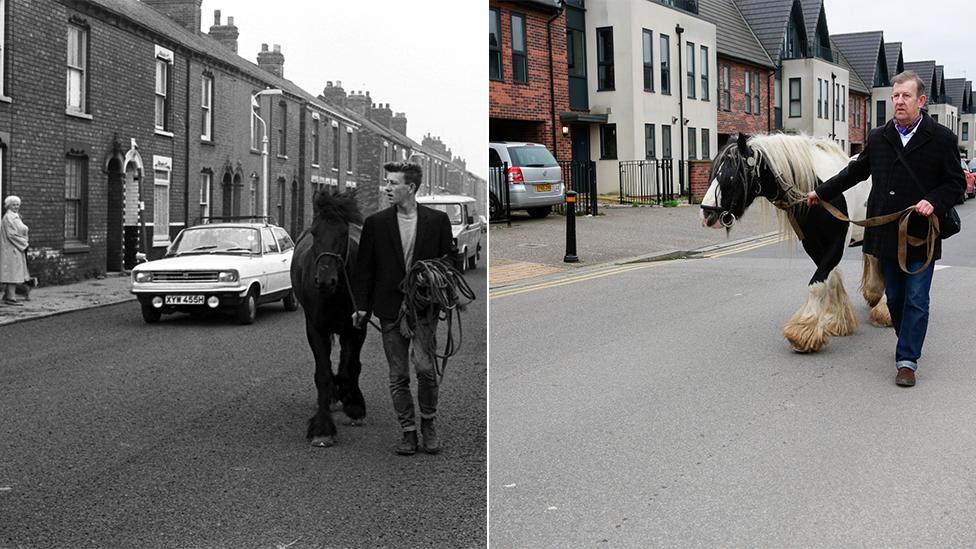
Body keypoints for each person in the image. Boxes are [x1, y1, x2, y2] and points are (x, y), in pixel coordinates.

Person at [806, 70, 966, 387]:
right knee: (894, 299)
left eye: (906, 96)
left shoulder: (942, 139)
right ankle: (908, 337)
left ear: (921, 101)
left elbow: (956, 184)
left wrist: (933, 201)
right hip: (885, 235)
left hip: (922, 234)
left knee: (917, 299)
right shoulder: (880, 137)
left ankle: (907, 360)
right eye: (895, 96)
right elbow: (856, 171)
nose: (898, 101)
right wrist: (820, 192)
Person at [352, 162, 455, 455]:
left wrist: (432, 275)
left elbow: (450, 263)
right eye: (387, 182)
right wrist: (361, 306)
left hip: (423, 307)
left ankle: (428, 424)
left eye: (393, 183)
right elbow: (364, 270)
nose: (387, 188)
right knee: (398, 374)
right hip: (389, 308)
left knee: (425, 368)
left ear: (410, 188)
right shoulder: (376, 223)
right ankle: (408, 431)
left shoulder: (437, 221)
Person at [1, 195, 31, 306]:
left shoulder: (16, 216)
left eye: (18, 204)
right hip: (12, 248)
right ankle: (10, 298)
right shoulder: (8, 217)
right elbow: (11, 235)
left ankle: (8, 295)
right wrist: (24, 244)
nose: (16, 207)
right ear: (8, 205)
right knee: (12, 272)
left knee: (14, 272)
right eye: (14, 204)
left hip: (16, 248)